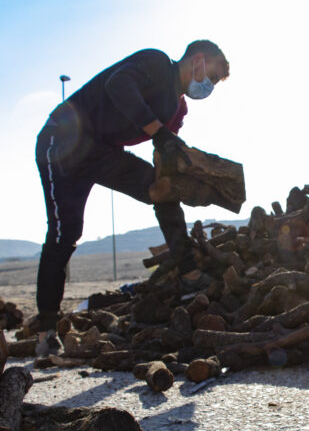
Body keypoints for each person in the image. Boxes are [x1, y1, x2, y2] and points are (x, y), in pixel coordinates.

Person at [34, 40, 230, 354]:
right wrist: (158, 132)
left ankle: (190, 273)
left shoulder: (178, 108)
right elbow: (119, 85)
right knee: (65, 233)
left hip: (105, 153)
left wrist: (186, 170)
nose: (210, 86)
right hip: (64, 142)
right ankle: (46, 330)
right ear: (198, 60)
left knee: (163, 190)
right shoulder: (155, 62)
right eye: (213, 77)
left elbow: (164, 152)